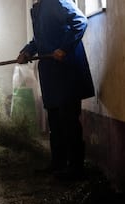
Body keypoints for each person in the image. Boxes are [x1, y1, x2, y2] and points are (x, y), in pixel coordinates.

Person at [17, 0, 95, 180]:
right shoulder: (37, 9)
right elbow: (39, 40)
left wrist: (64, 48)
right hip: (50, 72)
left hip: (66, 70)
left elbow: (81, 22)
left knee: (69, 120)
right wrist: (27, 51)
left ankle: (76, 169)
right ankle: (58, 163)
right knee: (54, 121)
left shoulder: (58, 2)